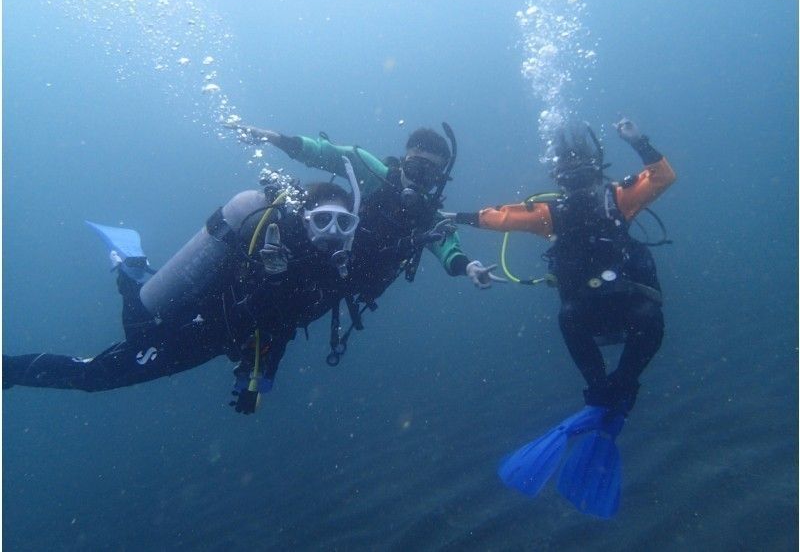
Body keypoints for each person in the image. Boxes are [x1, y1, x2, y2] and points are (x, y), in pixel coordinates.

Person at [3, 163, 365, 415]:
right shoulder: (271, 249)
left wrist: (258, 381)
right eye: (322, 219)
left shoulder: (330, 272)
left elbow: (281, 326)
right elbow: (256, 312)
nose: (332, 231)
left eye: (343, 222)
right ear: (303, 220)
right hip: (193, 324)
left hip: (213, 338)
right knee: (99, 371)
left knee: (101, 372)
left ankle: (136, 268)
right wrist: (271, 288)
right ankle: (128, 266)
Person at [454, 118, 676, 517]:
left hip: (625, 300)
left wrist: (639, 140)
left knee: (646, 317)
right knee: (573, 318)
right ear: (560, 176)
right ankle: (602, 393)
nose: (577, 179)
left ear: (596, 168)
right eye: (569, 173)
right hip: (589, 310)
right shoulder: (551, 214)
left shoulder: (616, 199)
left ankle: (619, 388)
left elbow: (662, 177)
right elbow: (499, 217)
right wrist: (455, 217)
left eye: (582, 170)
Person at [230, 123, 505, 297]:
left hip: (342, 286)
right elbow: (325, 153)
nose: (419, 180)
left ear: (439, 180)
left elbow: (448, 247)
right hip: (315, 256)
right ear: (402, 162)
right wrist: (276, 139)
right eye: (414, 168)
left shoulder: (428, 217)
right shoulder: (375, 174)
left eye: (430, 175)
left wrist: (467, 266)